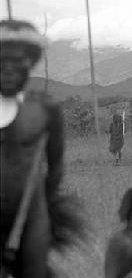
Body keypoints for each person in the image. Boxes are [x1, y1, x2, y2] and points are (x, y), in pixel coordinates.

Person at [1, 19, 85, 278]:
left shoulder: (45, 110)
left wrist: (44, 205)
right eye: (2, 59)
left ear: (31, 63)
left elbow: (56, 166)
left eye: (18, 61)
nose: (9, 69)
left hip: (33, 217)